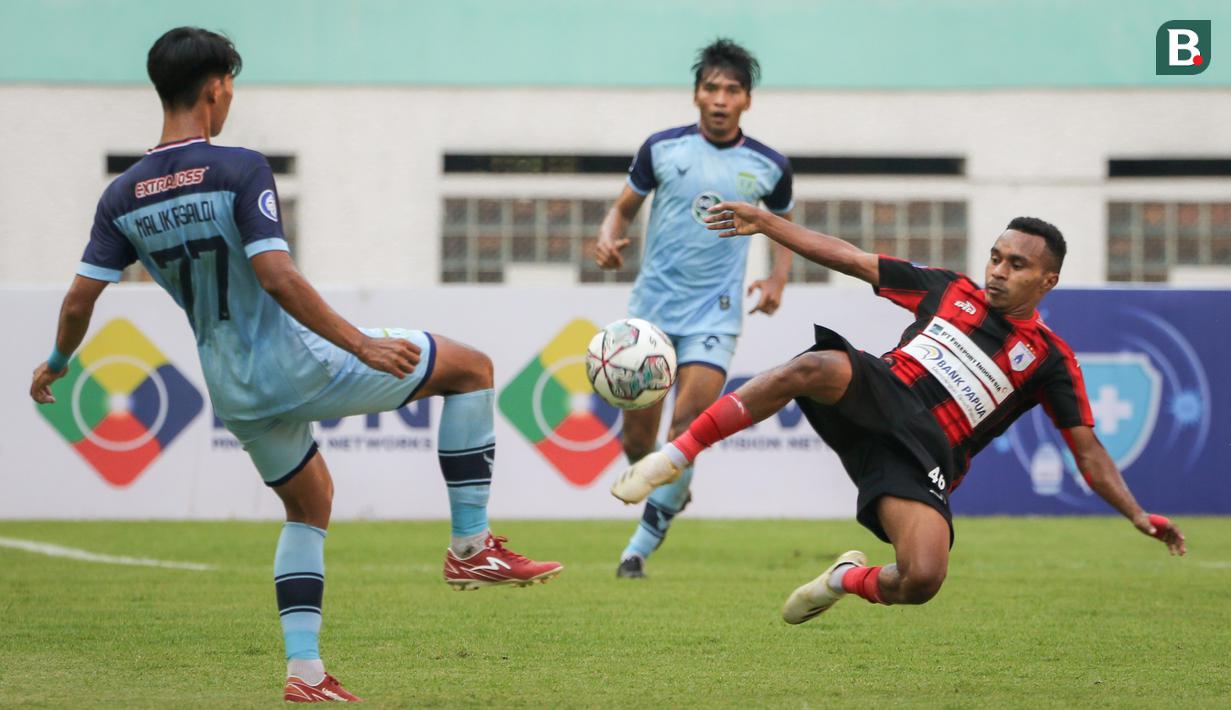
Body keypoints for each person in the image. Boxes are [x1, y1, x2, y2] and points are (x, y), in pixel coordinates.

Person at [28, 27, 561, 702]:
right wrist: (359, 344)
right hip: (296, 361)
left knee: (309, 504)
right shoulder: (238, 168)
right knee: (472, 369)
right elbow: (276, 276)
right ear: (216, 88)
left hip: (232, 387)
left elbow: (80, 300)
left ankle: (304, 673)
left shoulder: (123, 196)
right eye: (231, 87)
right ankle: (471, 547)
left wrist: (56, 362)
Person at [611, 202, 1187, 622]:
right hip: (885, 389)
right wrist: (766, 223)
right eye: (995, 258)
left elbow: (1088, 451)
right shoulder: (949, 290)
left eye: (1016, 264)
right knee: (812, 367)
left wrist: (1138, 515)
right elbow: (850, 258)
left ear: (1048, 280)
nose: (997, 271)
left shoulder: (1050, 360)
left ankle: (844, 579)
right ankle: (675, 456)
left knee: (922, 579)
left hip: (926, 452)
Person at [594, 39, 795, 578]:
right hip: (651, 315)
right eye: (712, 88)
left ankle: (636, 551)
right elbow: (622, 210)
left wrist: (777, 279)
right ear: (696, 95)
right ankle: (672, 488)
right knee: (639, 443)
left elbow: (785, 227)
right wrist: (608, 237)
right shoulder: (661, 149)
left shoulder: (770, 165)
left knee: (686, 429)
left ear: (747, 99)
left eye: (732, 90)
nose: (721, 99)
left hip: (716, 315)